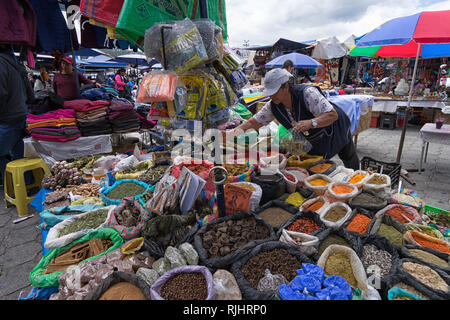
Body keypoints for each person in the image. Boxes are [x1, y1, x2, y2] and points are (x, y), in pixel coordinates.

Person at [222, 68, 360, 170]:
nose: (271, 96)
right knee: (316, 163)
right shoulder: (273, 106)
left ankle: (358, 178)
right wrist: (231, 133)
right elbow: (254, 122)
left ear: (286, 86)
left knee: (348, 155)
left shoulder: (307, 93)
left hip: (335, 127)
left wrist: (311, 122)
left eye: (274, 91)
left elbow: (332, 115)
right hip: (314, 137)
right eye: (269, 92)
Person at [0, 44, 35, 182]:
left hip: (7, 120)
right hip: (22, 116)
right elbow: (31, 96)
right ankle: (24, 185)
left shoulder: (2, 63)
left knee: (14, 156)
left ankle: (13, 185)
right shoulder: (16, 65)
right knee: (20, 156)